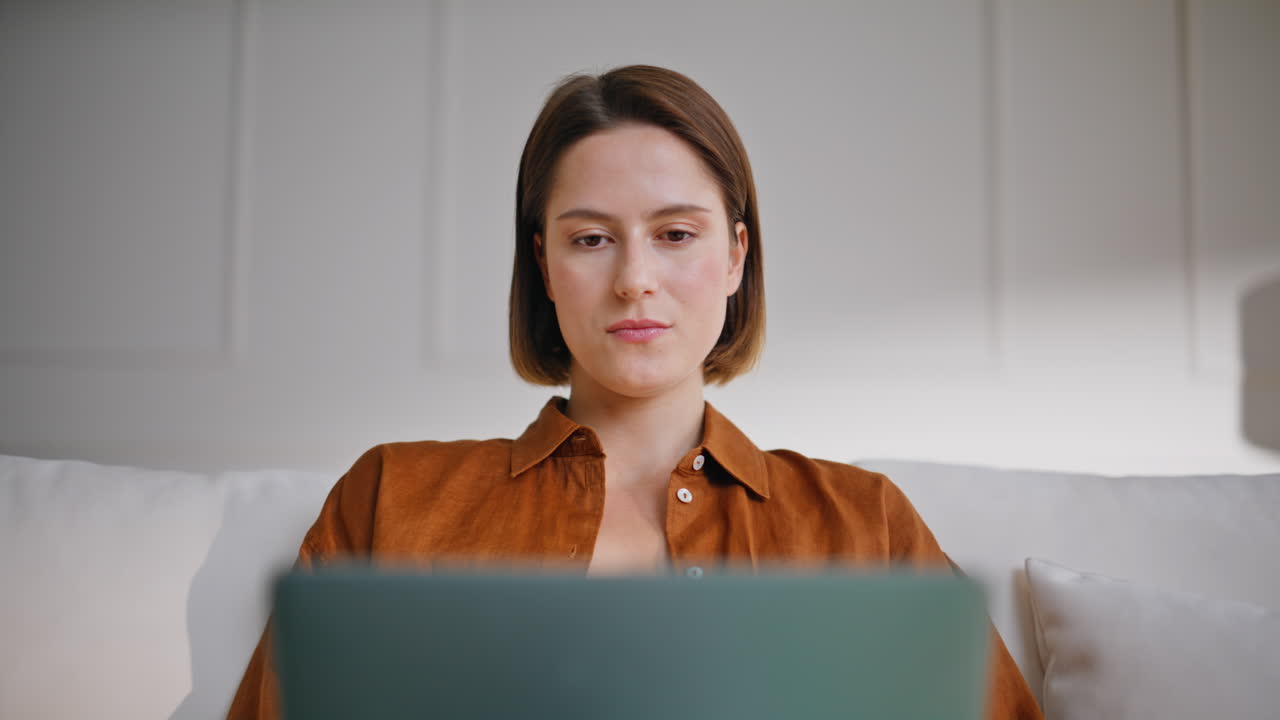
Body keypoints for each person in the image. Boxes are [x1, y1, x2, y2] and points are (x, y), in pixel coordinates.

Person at [227, 64, 1042, 719]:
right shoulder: (390, 499)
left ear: (736, 256)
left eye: (676, 234)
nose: (635, 279)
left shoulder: (868, 525)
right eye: (591, 239)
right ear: (544, 264)